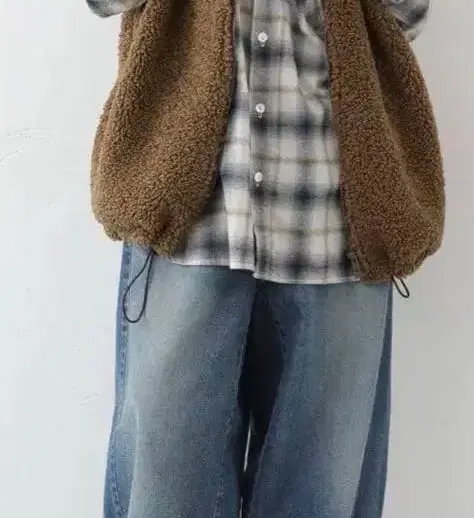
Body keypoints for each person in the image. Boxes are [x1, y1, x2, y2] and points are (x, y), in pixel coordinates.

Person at [87, 1, 442, 517]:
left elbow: (409, 11)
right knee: (165, 497)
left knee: (322, 499)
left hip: (334, 221)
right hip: (190, 221)